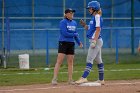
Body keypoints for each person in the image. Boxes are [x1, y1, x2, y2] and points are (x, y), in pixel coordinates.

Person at [75, 1, 105, 85]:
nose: (89, 10)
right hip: (96, 40)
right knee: (98, 60)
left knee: (89, 59)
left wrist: (94, 40)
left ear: (94, 8)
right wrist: (85, 25)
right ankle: (101, 79)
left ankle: (84, 77)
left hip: (96, 40)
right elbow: (91, 29)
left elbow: (98, 29)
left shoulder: (97, 16)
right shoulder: (95, 17)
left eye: (90, 8)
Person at [52, 8, 83, 85]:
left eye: (72, 13)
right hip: (63, 42)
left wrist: (79, 42)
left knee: (70, 62)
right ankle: (54, 79)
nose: (72, 14)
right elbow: (65, 33)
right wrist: (74, 34)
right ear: (66, 14)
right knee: (59, 61)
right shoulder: (63, 22)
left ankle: (70, 79)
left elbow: (75, 34)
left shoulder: (74, 23)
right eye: (70, 13)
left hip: (71, 43)